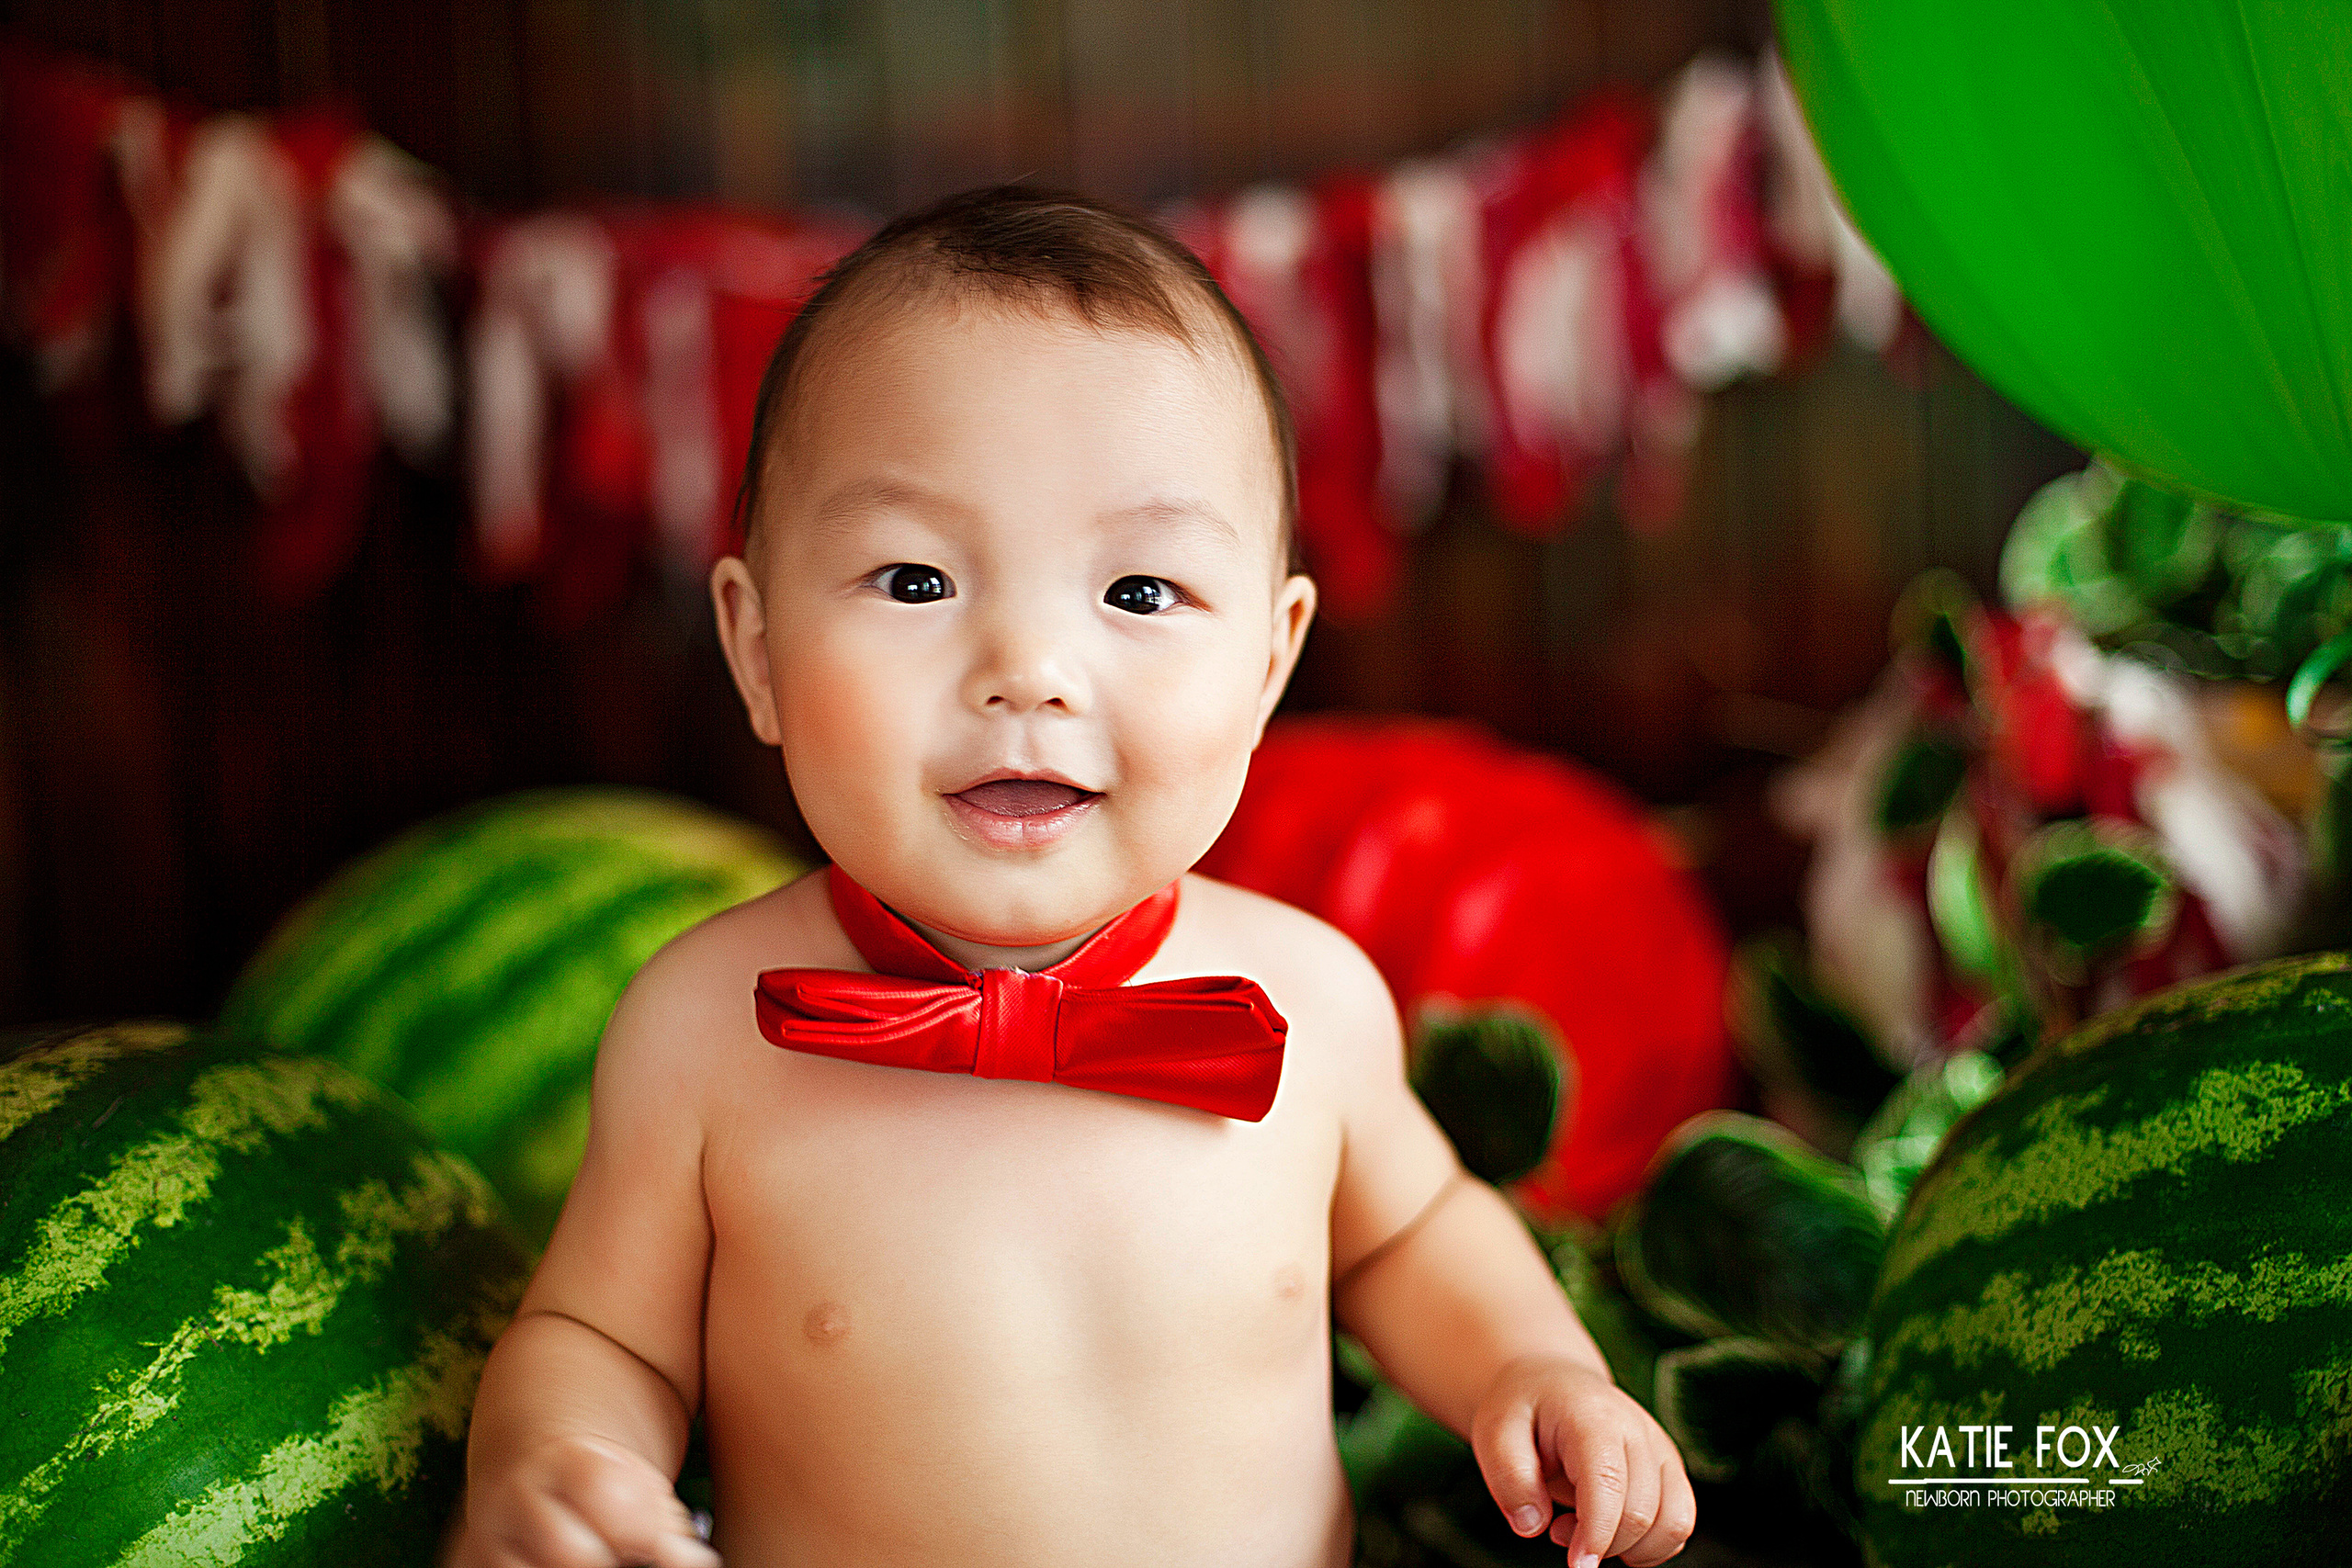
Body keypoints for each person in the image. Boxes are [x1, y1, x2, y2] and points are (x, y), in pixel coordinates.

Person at [451, 185, 1695, 1568]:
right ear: (754, 649)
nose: (1030, 674)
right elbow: (601, 1335)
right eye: (916, 581)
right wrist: (556, 1457)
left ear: (1270, 663)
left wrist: (1537, 1371)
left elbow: (1414, 1237)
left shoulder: (1311, 1002)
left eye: (1141, 594)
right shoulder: (701, 1030)